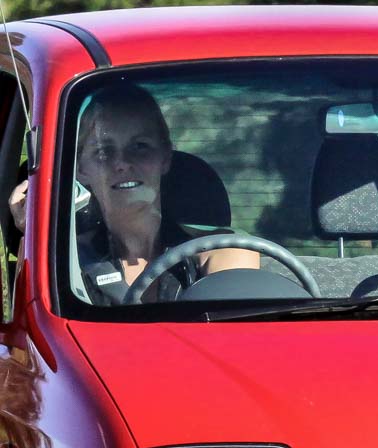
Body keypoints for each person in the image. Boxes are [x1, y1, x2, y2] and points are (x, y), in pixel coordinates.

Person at [9, 81, 257, 303]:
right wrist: (34, 235)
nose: (123, 163)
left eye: (140, 146)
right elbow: (34, 322)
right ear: (81, 170)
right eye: (103, 151)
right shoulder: (64, 263)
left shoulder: (220, 251)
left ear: (165, 157)